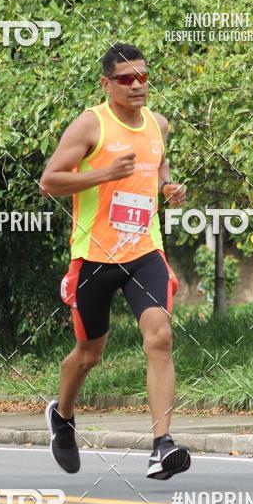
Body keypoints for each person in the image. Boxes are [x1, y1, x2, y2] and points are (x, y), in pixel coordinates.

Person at [39, 42, 191, 480]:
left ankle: (162, 446)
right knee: (89, 353)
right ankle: (62, 417)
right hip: (94, 257)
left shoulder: (158, 124)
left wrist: (167, 188)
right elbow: (49, 182)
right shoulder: (91, 125)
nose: (137, 85)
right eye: (127, 79)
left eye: (143, 76)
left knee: (160, 337)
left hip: (144, 251)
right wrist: (105, 173)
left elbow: (156, 165)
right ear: (107, 84)